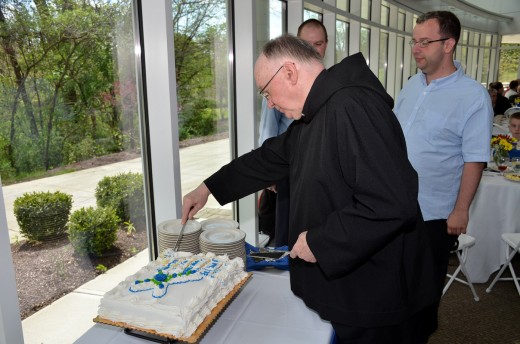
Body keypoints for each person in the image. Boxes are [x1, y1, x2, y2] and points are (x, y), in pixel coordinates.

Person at [183, 34, 439, 343]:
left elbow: (392, 201)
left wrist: (320, 241)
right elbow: (268, 158)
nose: (270, 103)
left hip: (377, 293)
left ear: (289, 72)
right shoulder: (318, 112)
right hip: (356, 285)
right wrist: (207, 188)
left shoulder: (352, 106)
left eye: (266, 92)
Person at [394, 9, 493, 329]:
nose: (416, 49)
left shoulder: (473, 96)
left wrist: (461, 210)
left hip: (433, 213)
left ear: (449, 44)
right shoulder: (411, 85)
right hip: (394, 204)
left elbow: (474, 157)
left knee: (422, 295)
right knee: (392, 284)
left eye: (424, 42)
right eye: (414, 41)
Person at [258, 19, 328, 247]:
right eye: (307, 44)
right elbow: (269, 130)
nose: (313, 50)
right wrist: (271, 173)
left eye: (318, 44)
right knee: (287, 230)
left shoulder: (334, 88)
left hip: (319, 174)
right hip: (288, 167)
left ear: (326, 45)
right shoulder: (279, 86)